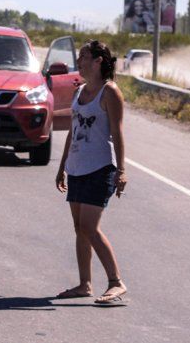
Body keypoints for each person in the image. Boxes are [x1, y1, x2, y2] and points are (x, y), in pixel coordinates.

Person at [55, 40, 128, 305]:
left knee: (89, 227)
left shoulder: (110, 92)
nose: (79, 60)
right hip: (77, 167)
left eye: (85, 56)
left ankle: (116, 282)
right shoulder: (79, 91)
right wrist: (62, 166)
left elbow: (118, 134)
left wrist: (121, 171)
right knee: (79, 228)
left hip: (100, 167)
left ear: (98, 61)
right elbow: (72, 131)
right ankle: (85, 284)